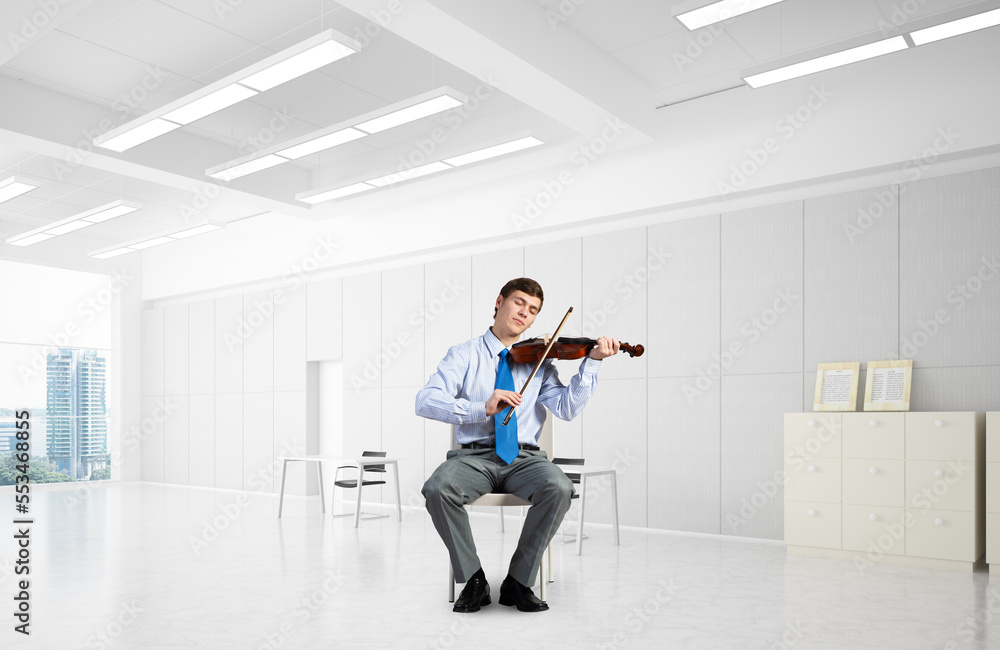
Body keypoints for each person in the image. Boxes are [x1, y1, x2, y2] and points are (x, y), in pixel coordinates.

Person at [415, 277, 619, 613]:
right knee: (438, 488)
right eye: (519, 303)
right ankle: (474, 580)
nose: (525, 313)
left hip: (525, 458)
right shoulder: (464, 354)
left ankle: (519, 581)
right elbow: (425, 401)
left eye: (534, 310)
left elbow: (567, 408)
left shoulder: (540, 361)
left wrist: (592, 362)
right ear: (500, 301)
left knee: (559, 486)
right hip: (474, 457)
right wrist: (480, 407)